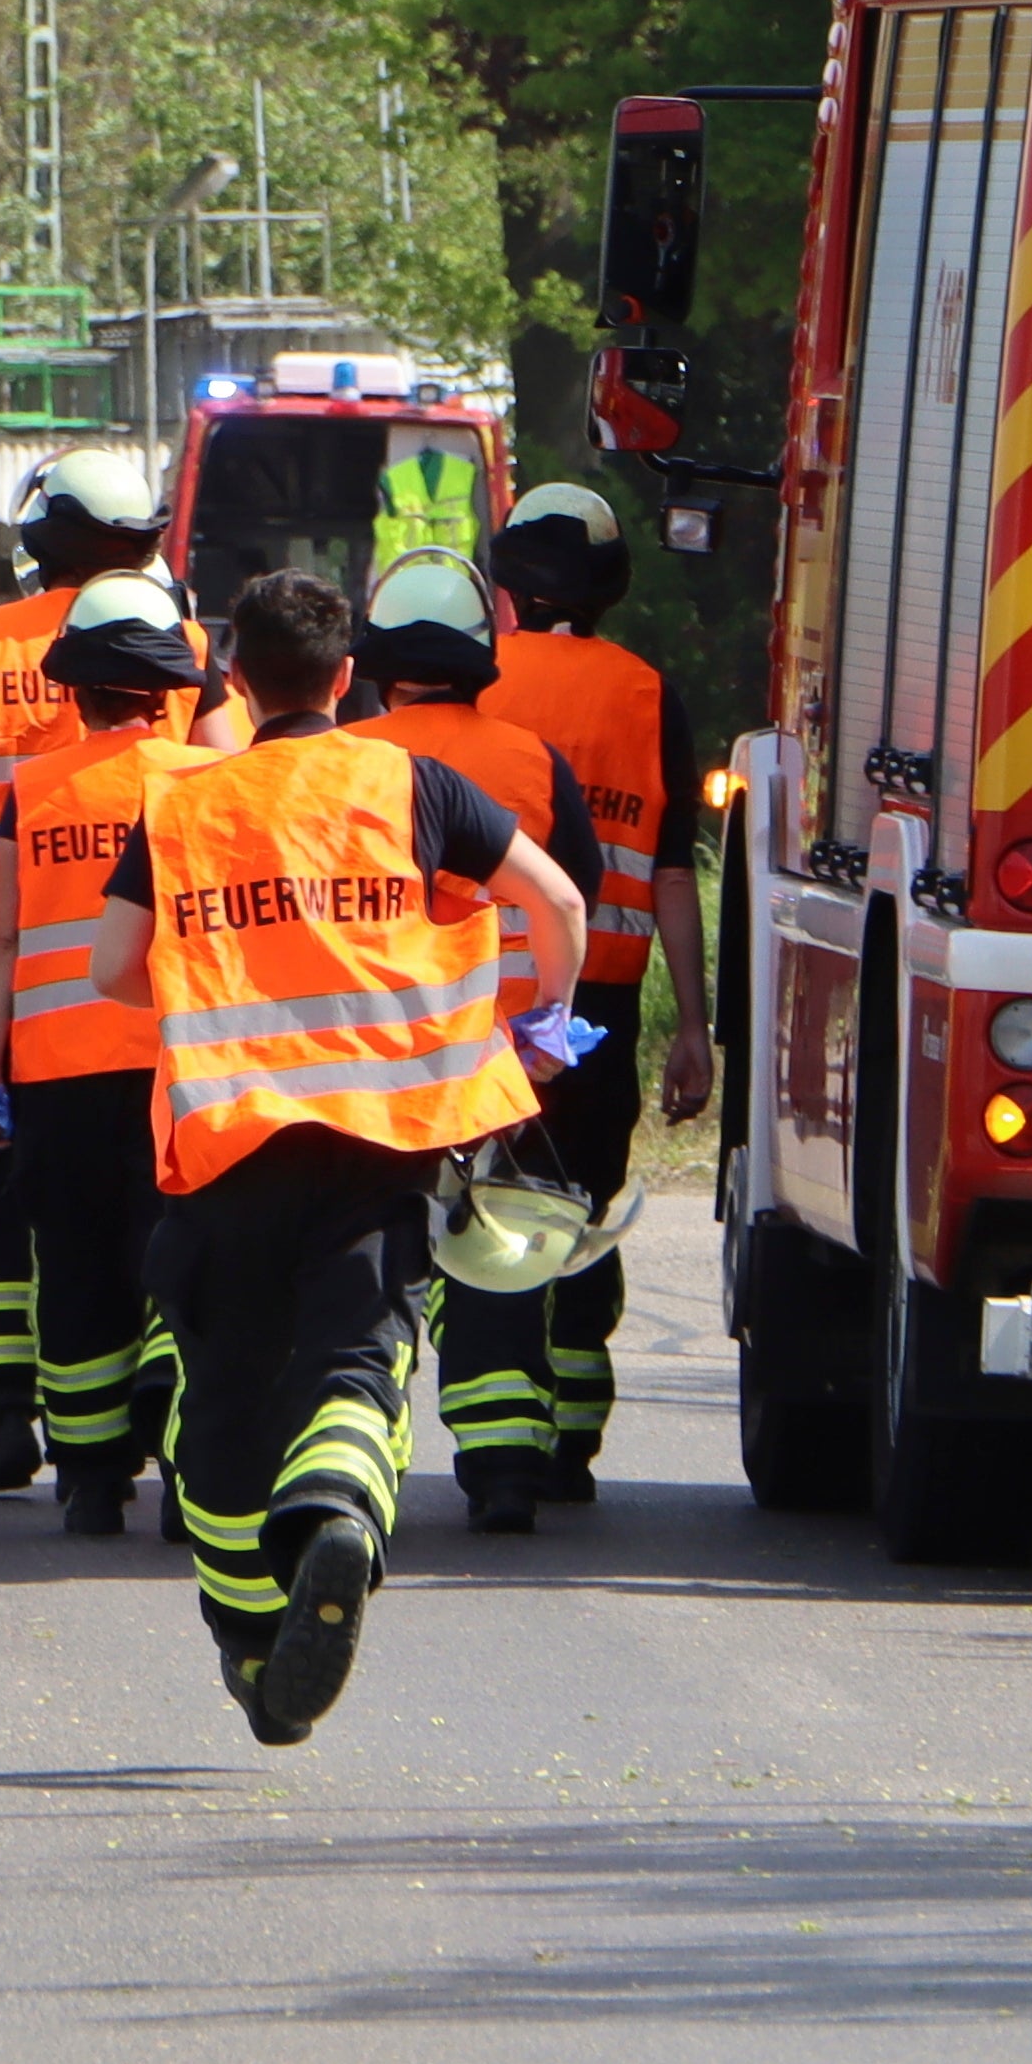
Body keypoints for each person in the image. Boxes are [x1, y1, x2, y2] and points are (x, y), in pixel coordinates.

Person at [127, 569, 578, 1748]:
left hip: (230, 1148)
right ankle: (334, 1509)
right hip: (383, 1145)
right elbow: (559, 901)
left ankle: (249, 1638)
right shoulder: (416, 782)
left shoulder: (186, 806)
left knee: (221, 1403)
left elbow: (109, 970)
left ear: (234, 675)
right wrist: (540, 1020)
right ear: (347, 676)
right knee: (355, 1358)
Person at [338, 547, 608, 1536]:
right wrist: (545, 1016)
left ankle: (351, 1448)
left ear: (376, 663)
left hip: (369, 1058)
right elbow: (574, 891)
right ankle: (502, 1469)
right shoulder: (534, 759)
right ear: (478, 660)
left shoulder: (347, 754)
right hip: (496, 1056)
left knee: (367, 1259)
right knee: (493, 1254)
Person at [0, 445, 166, 1496]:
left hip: (1, 930)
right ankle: (154, 1372)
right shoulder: (184, 638)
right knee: (155, 1165)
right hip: (152, 945)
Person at [0, 567, 225, 1536]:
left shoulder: (32, 788)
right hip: (179, 1071)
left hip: (56, 1071)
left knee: (73, 1267)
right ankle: (172, 1416)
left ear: (71, 689)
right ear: (168, 691)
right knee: (177, 1251)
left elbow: (0, 937)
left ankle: (88, 1477)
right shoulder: (203, 780)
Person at [476, 478, 719, 1488]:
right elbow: (671, 874)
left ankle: (503, 1420)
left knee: (488, 1204)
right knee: (577, 1202)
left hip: (475, 1000)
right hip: (600, 1005)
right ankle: (572, 1423)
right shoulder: (649, 693)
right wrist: (694, 1027)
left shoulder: (474, 678)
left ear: (509, 581)